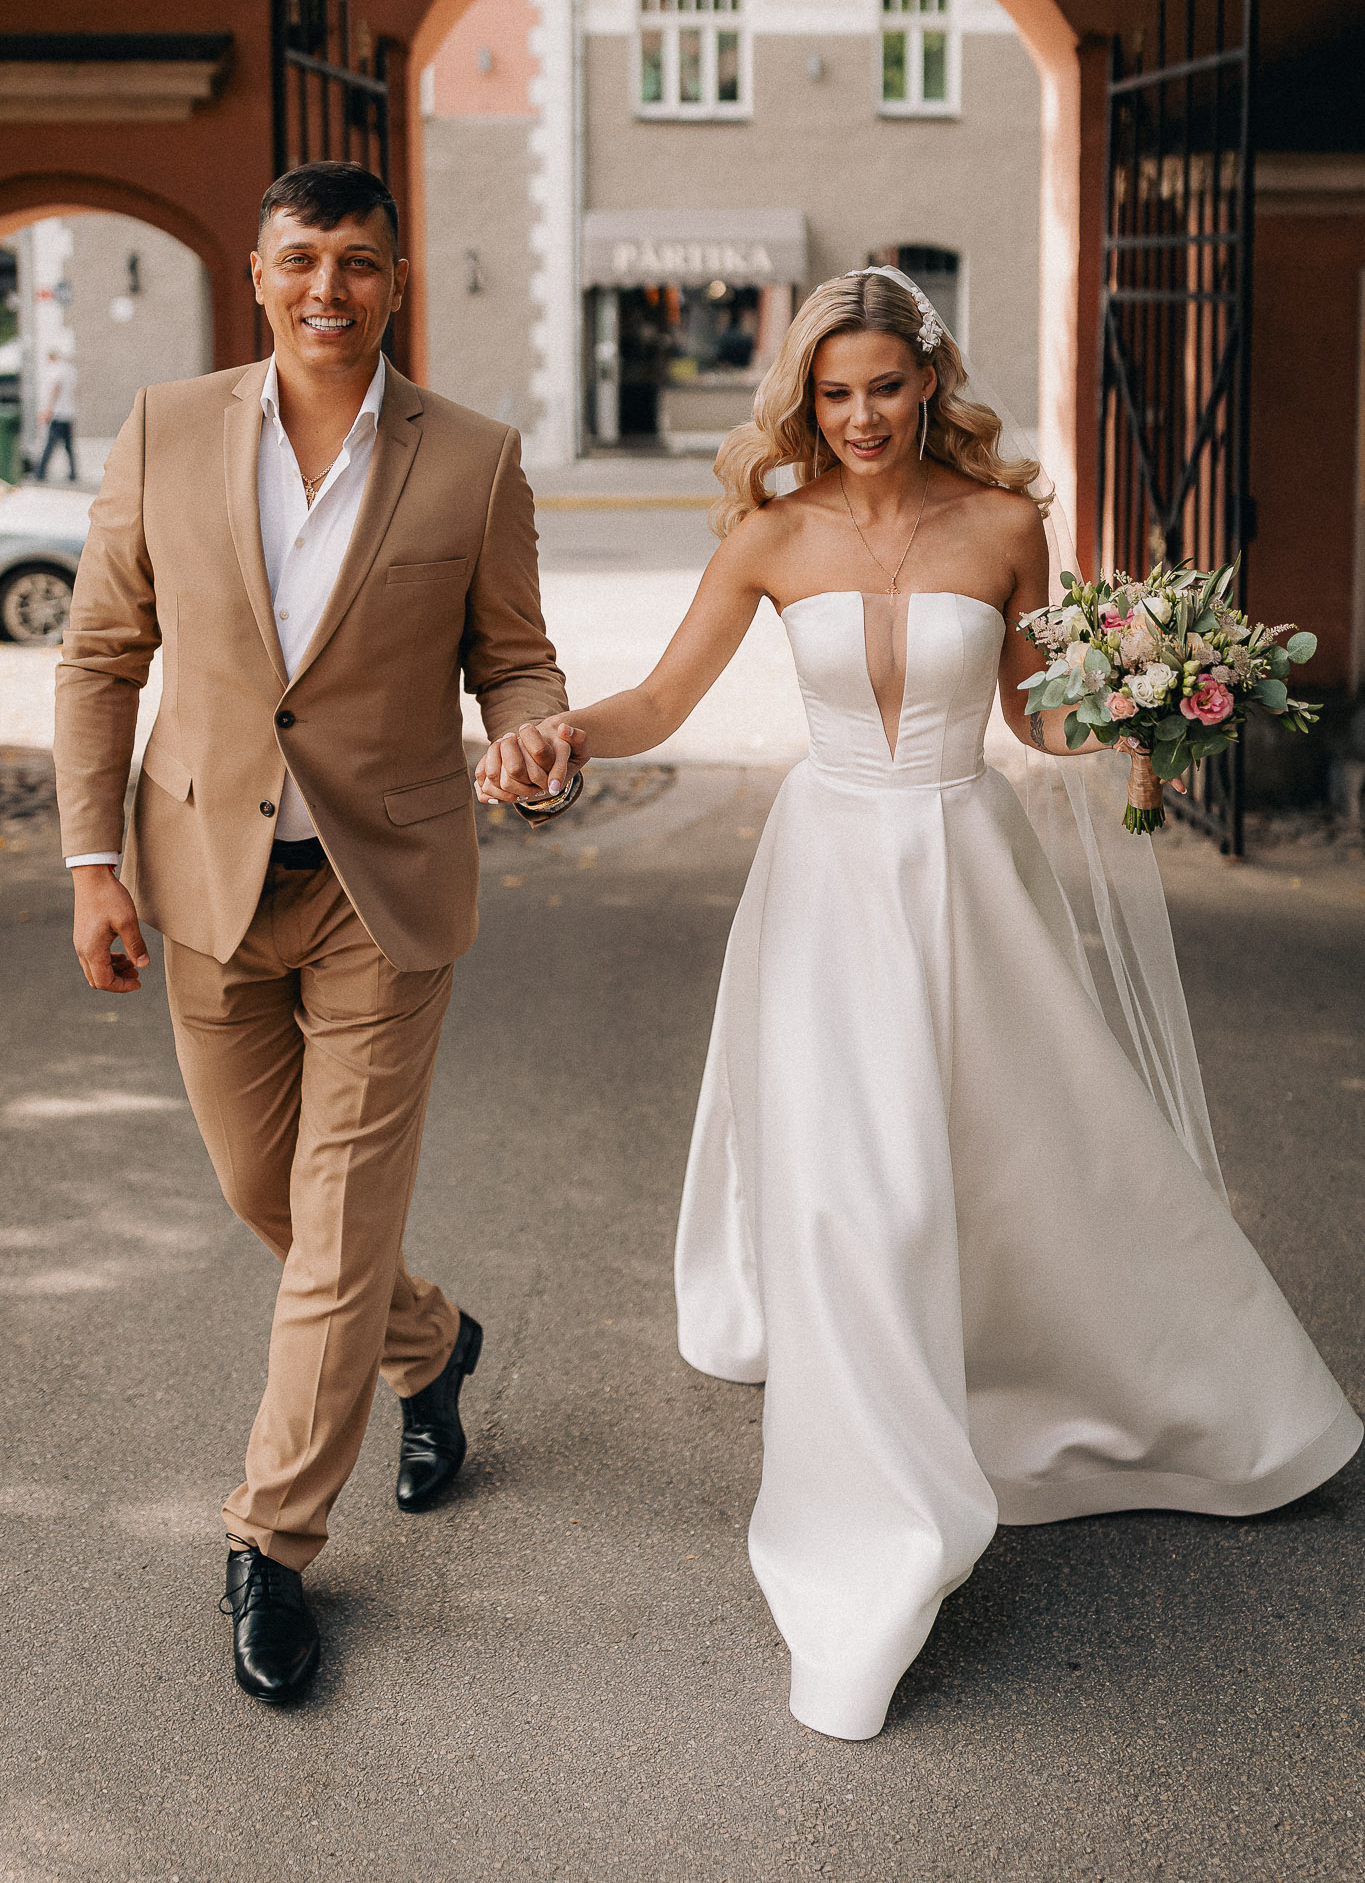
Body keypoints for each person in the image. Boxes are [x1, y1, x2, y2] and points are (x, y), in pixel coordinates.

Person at [478, 268, 1362, 1742]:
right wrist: (559, 734)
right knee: (856, 1195)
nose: (860, 416)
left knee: (1027, 1162)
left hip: (963, 871)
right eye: (833, 393)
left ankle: (1194, 1394)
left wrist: (1141, 710)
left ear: (930, 380)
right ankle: (880, 1518)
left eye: (884, 385)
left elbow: (1032, 712)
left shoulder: (1004, 525)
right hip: (826, 882)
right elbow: (663, 702)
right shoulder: (771, 534)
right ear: (803, 399)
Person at [54, 160, 570, 1705]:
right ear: (259, 278)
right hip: (205, 880)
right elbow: (100, 653)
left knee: (335, 1224)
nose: (326, 287)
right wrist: (93, 865)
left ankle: (270, 1542)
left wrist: (535, 733)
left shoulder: (472, 458)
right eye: (299, 259)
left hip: (379, 891)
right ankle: (433, 1345)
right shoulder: (166, 428)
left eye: (356, 260)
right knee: (264, 1195)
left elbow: (514, 657)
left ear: (397, 281)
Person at [37, 347, 77, 481]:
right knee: (68, 446)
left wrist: (49, 409)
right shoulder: (70, 370)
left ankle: (40, 472)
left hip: (58, 413)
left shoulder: (57, 369)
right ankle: (73, 473)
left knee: (50, 444)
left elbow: (56, 389)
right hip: (68, 412)